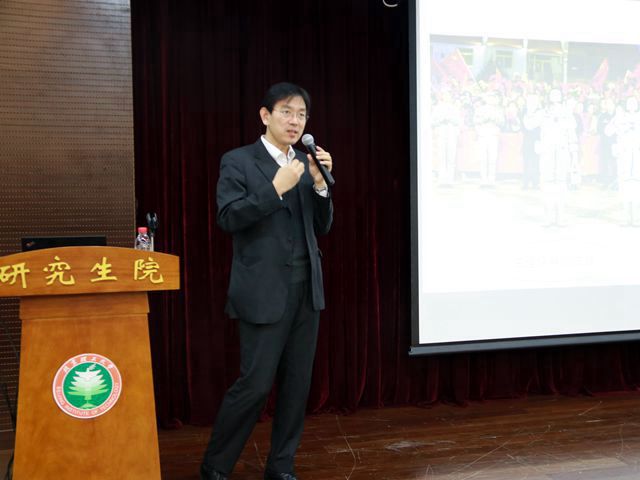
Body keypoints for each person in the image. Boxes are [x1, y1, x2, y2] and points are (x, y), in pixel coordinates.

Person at [200, 82, 334, 480]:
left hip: (306, 291)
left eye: (301, 115)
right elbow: (229, 217)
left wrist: (321, 184)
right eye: (286, 112)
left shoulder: (306, 163)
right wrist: (275, 188)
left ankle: (281, 467)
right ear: (265, 115)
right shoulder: (238, 161)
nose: (295, 121)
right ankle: (215, 466)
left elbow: (322, 227)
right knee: (255, 386)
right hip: (263, 292)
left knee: (296, 386)